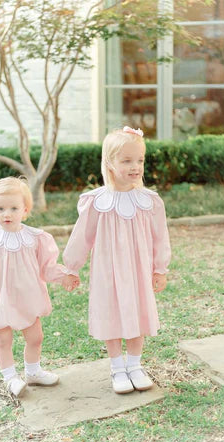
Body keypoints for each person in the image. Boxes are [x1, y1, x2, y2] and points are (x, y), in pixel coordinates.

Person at [63, 126, 171, 394]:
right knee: (111, 313)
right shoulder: (97, 202)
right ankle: (117, 367)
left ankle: (134, 365)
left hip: (138, 269)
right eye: (126, 161)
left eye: (140, 160)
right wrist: (72, 266)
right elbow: (82, 236)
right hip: (107, 271)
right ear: (109, 162)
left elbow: (161, 237)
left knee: (138, 311)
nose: (135, 167)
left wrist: (160, 268)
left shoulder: (150, 201)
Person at [0, 176, 79, 397]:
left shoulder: (35, 238)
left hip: (27, 297)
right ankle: (10, 377)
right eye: (0, 208)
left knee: (35, 337)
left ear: (25, 210)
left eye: (13, 208)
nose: (6, 214)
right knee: (3, 339)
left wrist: (63, 276)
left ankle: (33, 371)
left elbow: (47, 267)